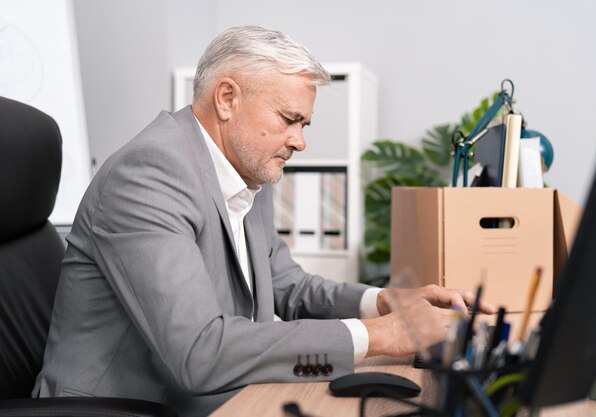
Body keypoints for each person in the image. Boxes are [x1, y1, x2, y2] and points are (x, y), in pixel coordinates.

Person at [33, 25, 493, 417]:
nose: (299, 142)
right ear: (228, 98)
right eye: (290, 119)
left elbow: (289, 286)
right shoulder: (149, 174)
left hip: (212, 397)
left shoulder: (246, 169)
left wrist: (386, 302)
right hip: (125, 407)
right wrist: (382, 336)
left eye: (304, 125)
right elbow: (200, 351)